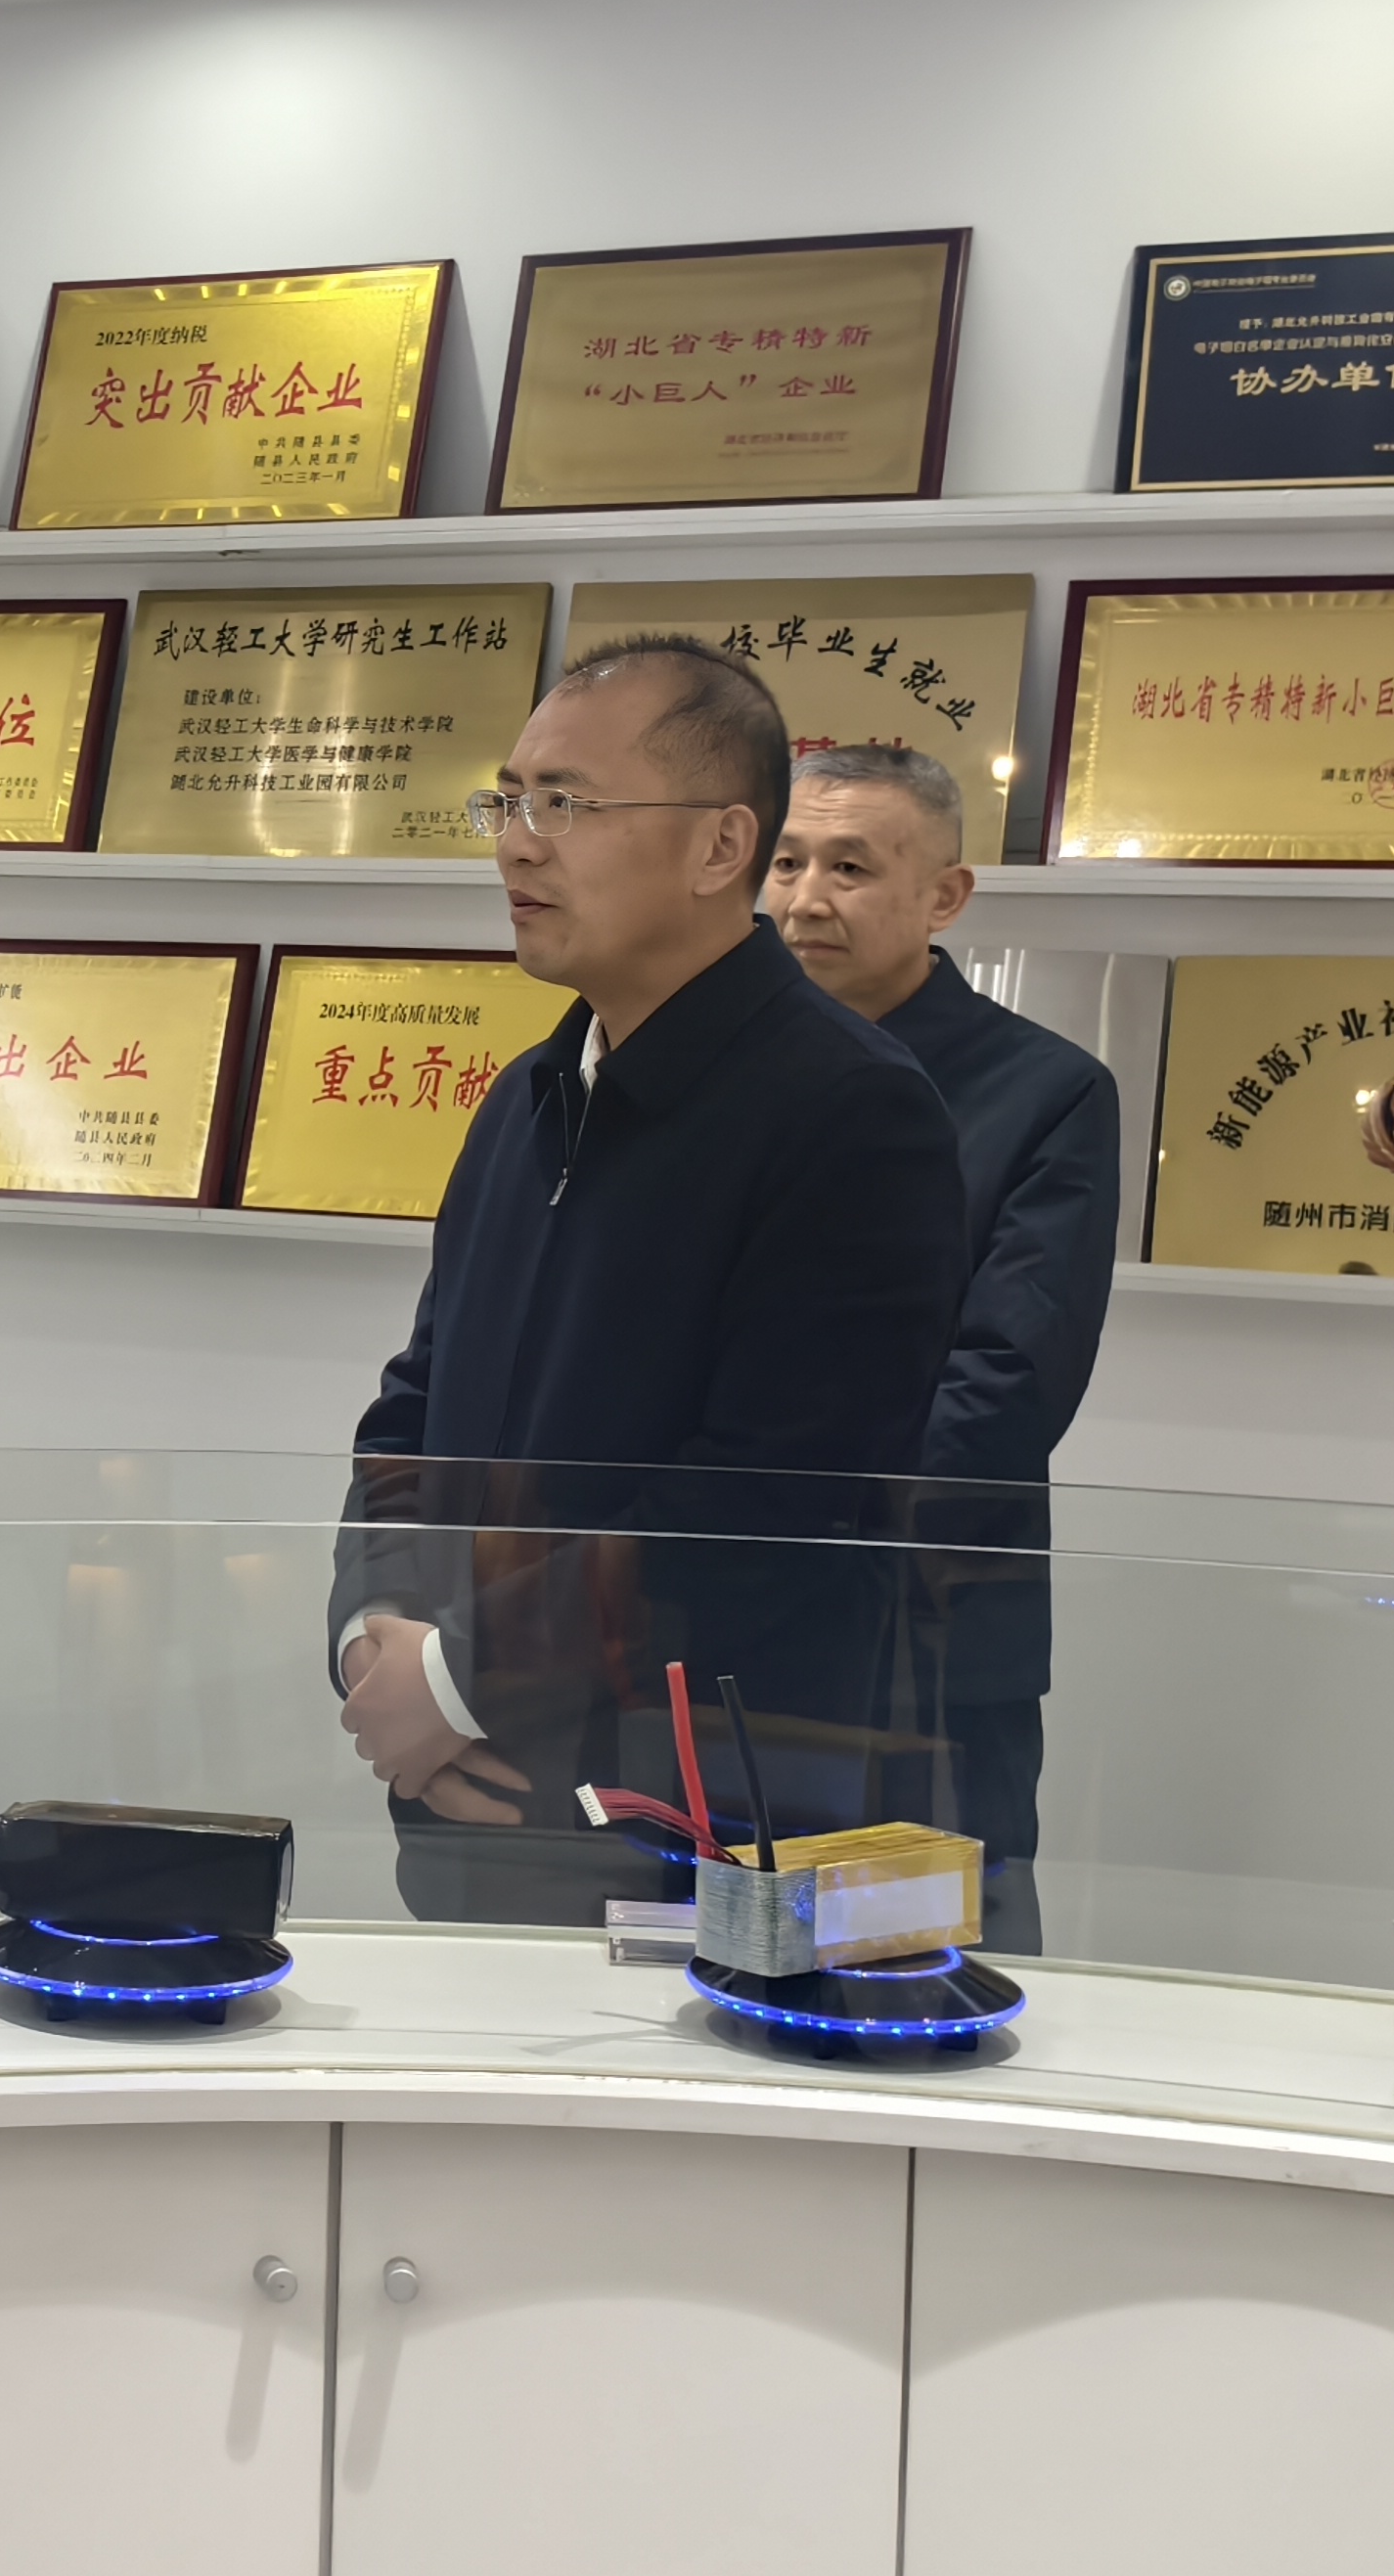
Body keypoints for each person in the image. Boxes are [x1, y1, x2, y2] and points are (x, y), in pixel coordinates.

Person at [330, 636, 968, 1922]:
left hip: (688, 1840)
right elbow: (417, 1409)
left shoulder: (848, 1112)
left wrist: (455, 1679)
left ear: (721, 846)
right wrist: (372, 1638)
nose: (518, 846)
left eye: (566, 804)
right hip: (468, 1806)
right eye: (508, 801)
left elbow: (767, 1508)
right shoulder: (528, 1094)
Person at [768, 743, 1118, 1949]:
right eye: (786, 863)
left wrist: (796, 1546)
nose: (806, 900)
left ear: (945, 897)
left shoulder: (1044, 1091)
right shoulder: (719, 1071)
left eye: (850, 867)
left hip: (923, 1636)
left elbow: (1005, 1385)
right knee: (704, 1970)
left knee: (921, 1975)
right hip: (712, 1626)